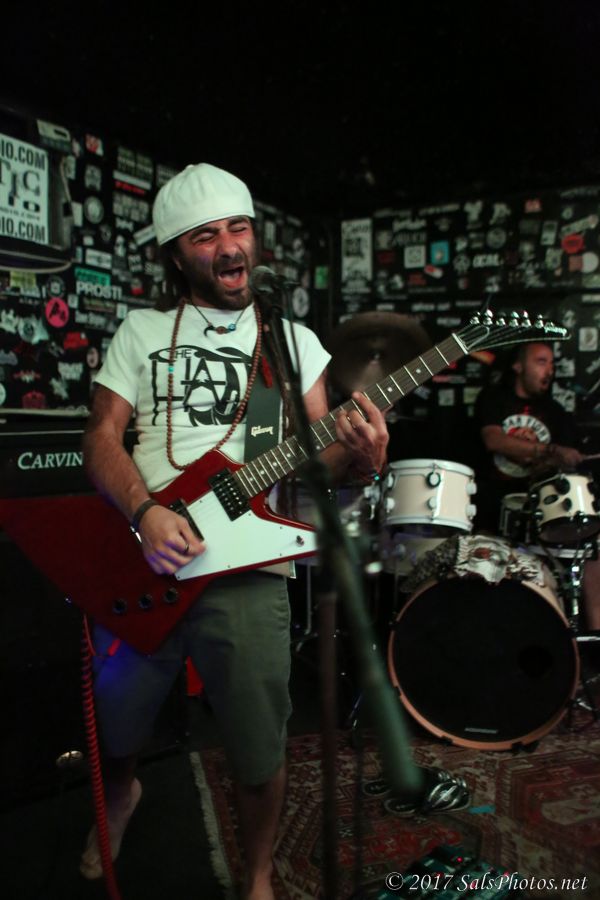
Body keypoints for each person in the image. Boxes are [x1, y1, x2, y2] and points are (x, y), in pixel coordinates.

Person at [78, 162, 389, 900]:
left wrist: (363, 458)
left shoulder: (289, 342)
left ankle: (256, 875)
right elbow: (100, 437)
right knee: (117, 723)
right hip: (143, 553)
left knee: (257, 743)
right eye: (205, 235)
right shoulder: (142, 330)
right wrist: (144, 512)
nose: (228, 246)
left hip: (249, 562)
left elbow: (320, 460)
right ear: (176, 254)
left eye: (238, 228)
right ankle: (120, 795)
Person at [474, 341, 600, 631]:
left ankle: (593, 638)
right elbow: (494, 440)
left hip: (539, 513)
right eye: (541, 362)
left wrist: (560, 460)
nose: (550, 370)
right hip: (492, 509)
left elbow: (562, 470)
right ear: (518, 366)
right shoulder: (494, 398)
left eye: (552, 364)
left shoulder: (556, 412)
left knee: (594, 551)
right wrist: (550, 450)